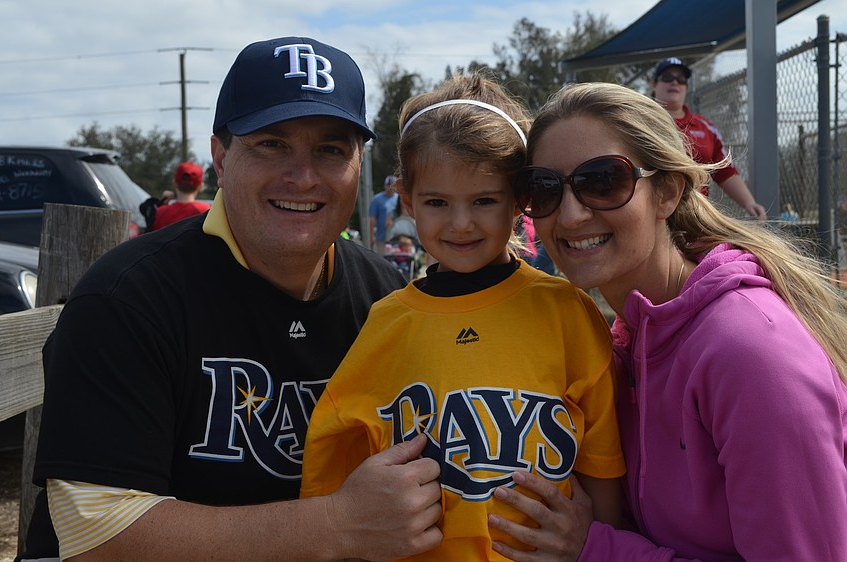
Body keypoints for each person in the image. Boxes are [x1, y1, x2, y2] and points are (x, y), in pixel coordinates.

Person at [19, 36, 443, 562]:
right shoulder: (127, 299)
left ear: (359, 165)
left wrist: (570, 520)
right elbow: (97, 536)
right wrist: (335, 524)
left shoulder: (392, 301)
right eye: (272, 143)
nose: (304, 175)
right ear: (221, 155)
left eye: (331, 149)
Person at [488, 81, 847, 561]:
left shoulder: (751, 354)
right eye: (545, 189)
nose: (570, 216)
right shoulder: (628, 337)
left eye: (602, 182)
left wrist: (594, 549)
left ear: (668, 193)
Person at [300, 72, 626, 561]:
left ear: (520, 203)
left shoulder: (566, 310)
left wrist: (592, 546)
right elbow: (335, 475)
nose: (460, 224)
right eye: (436, 202)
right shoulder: (387, 320)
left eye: (484, 201)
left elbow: (602, 467)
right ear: (407, 201)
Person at [651, 57, 767, 221]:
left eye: (681, 79)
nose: (675, 82)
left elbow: (725, 170)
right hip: (654, 216)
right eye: (667, 77)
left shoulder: (705, 127)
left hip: (696, 218)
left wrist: (749, 203)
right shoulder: (641, 122)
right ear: (654, 84)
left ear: (687, 87)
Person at [139, 161, 212, 232]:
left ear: (174, 183)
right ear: (200, 186)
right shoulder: (206, 211)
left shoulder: (160, 212)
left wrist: (161, 202)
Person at [369, 174, 399, 255]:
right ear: (384, 185)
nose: (390, 188)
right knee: (383, 260)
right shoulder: (377, 199)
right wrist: (371, 236)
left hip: (397, 237)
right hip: (382, 237)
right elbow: (372, 219)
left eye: (392, 185)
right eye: (388, 185)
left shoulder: (399, 199)